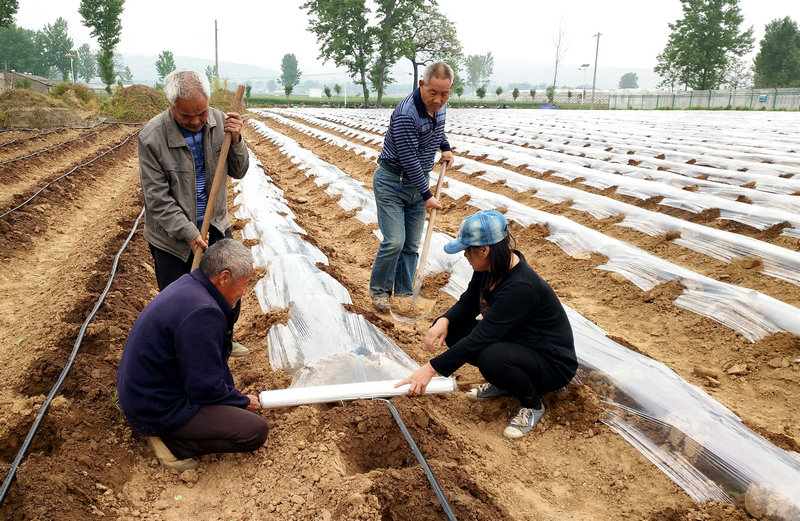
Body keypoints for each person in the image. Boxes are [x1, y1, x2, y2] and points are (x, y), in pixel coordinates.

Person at [395, 210, 578, 439]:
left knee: (492, 357)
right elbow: (469, 301)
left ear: (484, 250)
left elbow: (482, 337)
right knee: (453, 331)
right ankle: (505, 382)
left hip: (551, 363)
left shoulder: (521, 287)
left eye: (467, 251)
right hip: (520, 342)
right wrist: (444, 320)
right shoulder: (491, 268)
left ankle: (532, 404)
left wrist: (430, 370)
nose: (465, 256)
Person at [117, 239, 268, 471]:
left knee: (233, 407)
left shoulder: (191, 286)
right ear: (224, 277)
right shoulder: (203, 313)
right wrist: (241, 400)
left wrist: (232, 398)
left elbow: (210, 366)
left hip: (146, 394)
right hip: (157, 409)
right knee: (254, 431)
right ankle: (171, 442)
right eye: (245, 283)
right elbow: (203, 387)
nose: (245, 291)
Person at [139, 69, 250, 356]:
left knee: (227, 292)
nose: (197, 121)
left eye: (201, 113)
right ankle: (182, 351)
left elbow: (239, 170)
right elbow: (157, 199)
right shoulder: (152, 137)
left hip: (215, 224)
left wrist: (237, 140)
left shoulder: (221, 123)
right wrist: (189, 233)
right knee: (178, 298)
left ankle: (223, 342)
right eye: (187, 116)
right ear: (170, 106)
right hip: (173, 238)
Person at [369, 61, 455, 310]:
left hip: (417, 184)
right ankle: (380, 292)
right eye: (433, 93)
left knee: (411, 244)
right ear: (421, 85)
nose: (438, 100)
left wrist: (446, 148)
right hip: (393, 182)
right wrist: (428, 195)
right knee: (394, 241)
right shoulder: (407, 114)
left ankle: (405, 294)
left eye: (444, 94)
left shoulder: (440, 106)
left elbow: (438, 129)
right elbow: (409, 159)